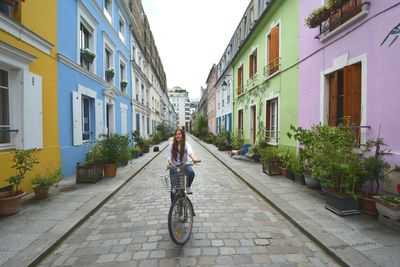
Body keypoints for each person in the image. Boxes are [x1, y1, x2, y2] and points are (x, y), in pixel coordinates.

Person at [168, 128, 200, 196]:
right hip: (174, 167)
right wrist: (170, 163)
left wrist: (194, 159)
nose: (177, 136)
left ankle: (188, 186)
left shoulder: (186, 144)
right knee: (174, 189)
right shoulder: (171, 144)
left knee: (191, 173)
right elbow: (169, 157)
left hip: (184, 166)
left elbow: (190, 153)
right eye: (176, 134)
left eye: (179, 134)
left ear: (182, 135)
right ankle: (173, 205)